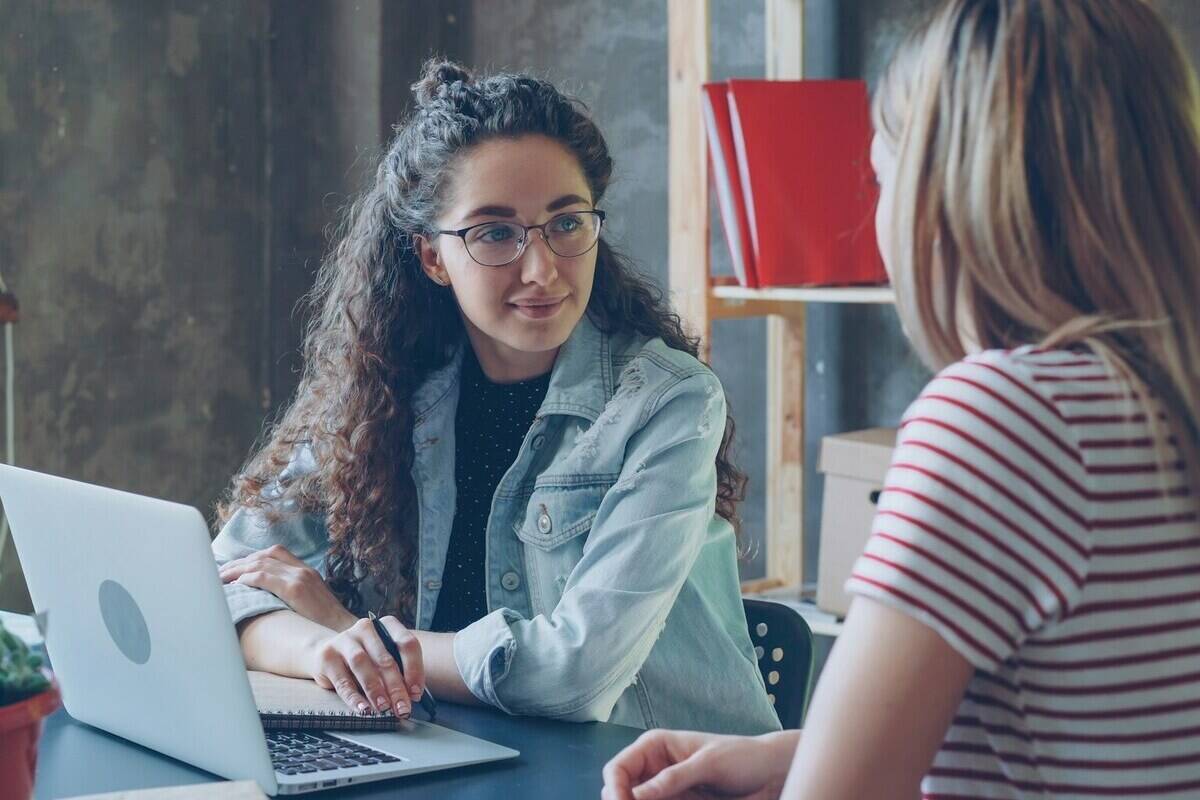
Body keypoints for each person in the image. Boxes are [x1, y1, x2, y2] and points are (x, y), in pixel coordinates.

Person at [603, 0, 1200, 796]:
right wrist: (793, 755)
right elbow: (1093, 741)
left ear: (948, 200)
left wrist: (820, 770)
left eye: (880, 179)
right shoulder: (1158, 399)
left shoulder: (1005, 418)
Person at [210, 59, 780, 736]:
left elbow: (573, 675)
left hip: (653, 771)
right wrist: (321, 649)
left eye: (566, 224)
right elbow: (221, 586)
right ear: (432, 257)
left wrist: (356, 632)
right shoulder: (382, 386)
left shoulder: (668, 403)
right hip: (465, 755)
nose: (542, 270)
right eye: (495, 233)